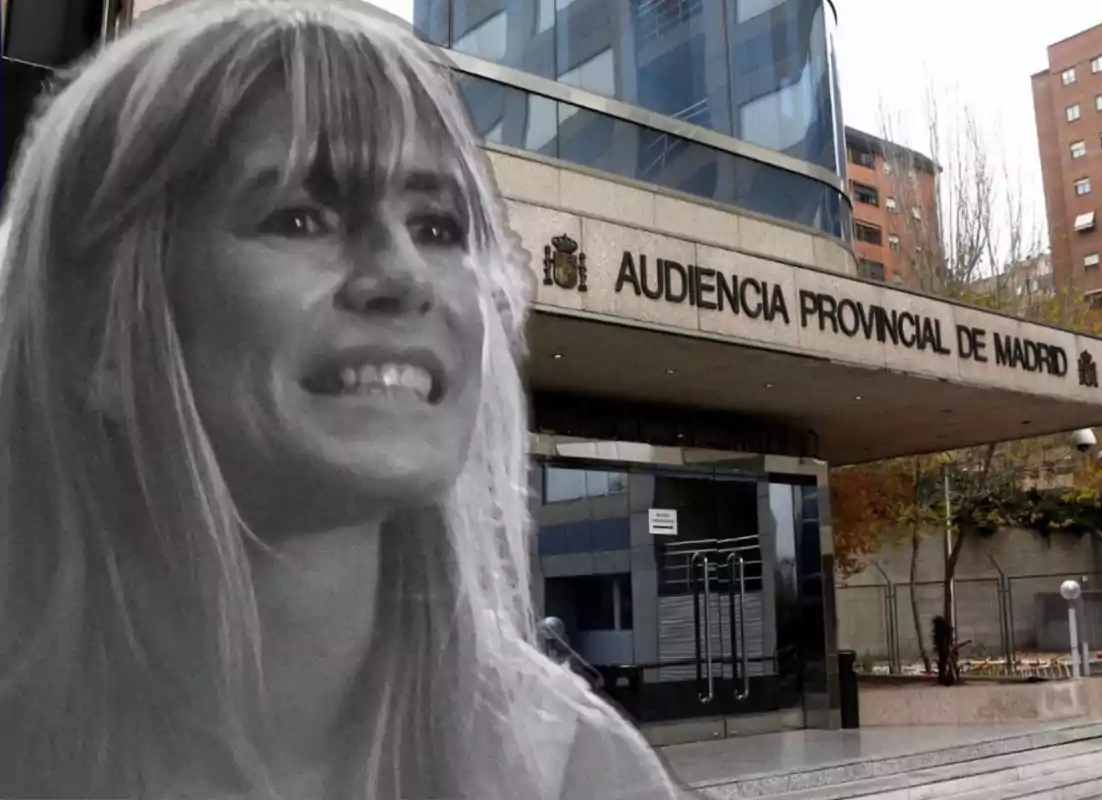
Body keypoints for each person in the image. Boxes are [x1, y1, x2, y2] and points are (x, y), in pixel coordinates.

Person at [0, 2, 686, 797]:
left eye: (437, 226)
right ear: (98, 335)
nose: (401, 276)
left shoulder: (576, 772)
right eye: (299, 217)